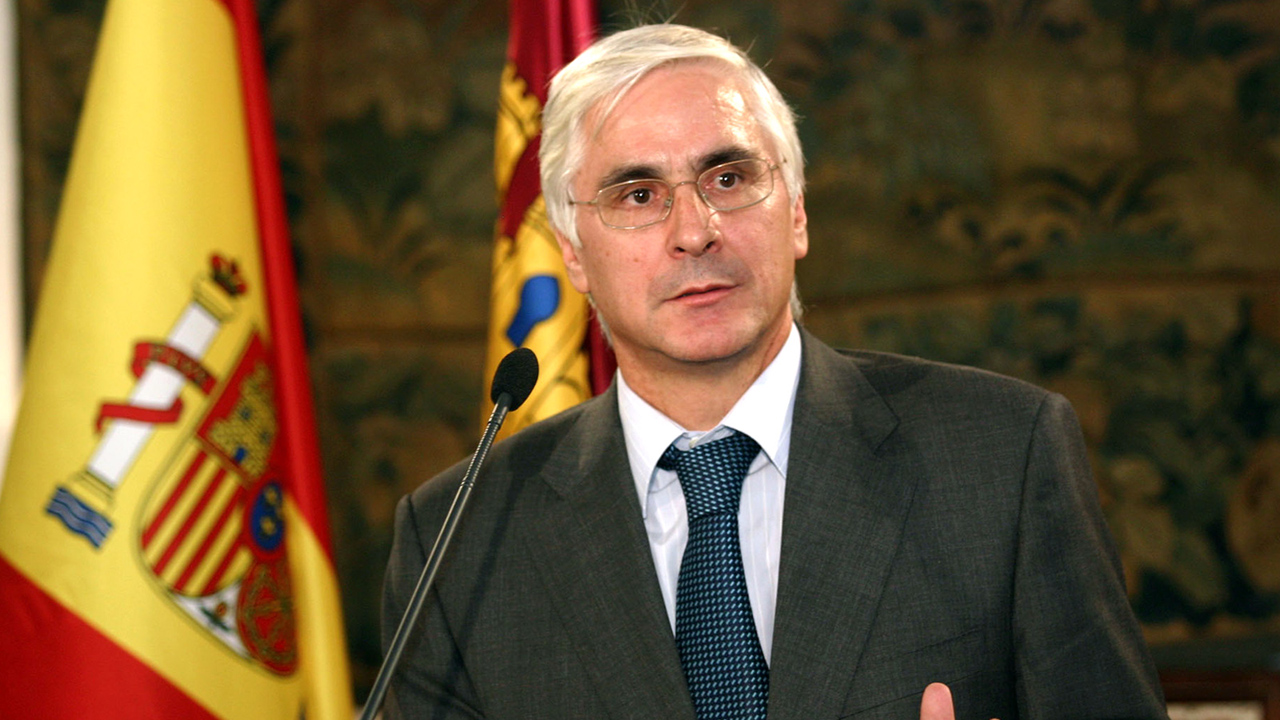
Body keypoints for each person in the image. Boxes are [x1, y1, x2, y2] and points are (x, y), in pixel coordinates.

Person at [380, 23, 1167, 720]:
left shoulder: (1002, 455)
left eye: (728, 178)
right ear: (574, 253)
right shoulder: (457, 541)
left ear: (795, 210)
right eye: (638, 194)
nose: (694, 231)